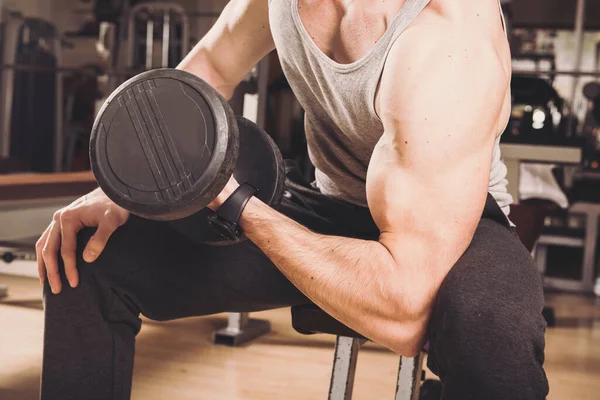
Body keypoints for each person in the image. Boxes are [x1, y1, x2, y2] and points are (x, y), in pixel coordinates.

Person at [37, 0, 548, 399]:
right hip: (328, 206)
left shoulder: (448, 40)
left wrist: (239, 204)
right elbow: (213, 64)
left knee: (494, 334)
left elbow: (405, 308)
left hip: (449, 224)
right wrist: (123, 189)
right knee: (86, 254)